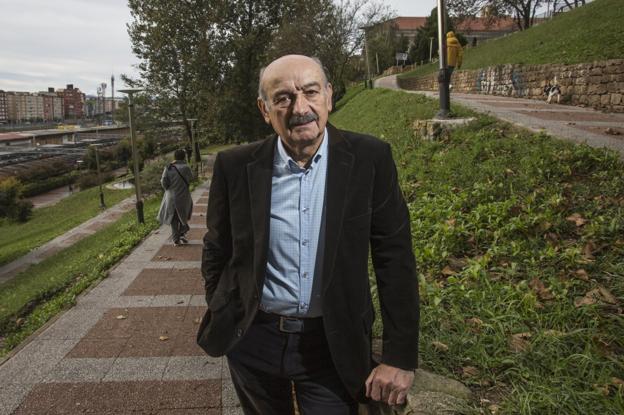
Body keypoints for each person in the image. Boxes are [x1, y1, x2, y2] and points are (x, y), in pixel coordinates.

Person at [197, 55, 419, 414]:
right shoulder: (235, 166)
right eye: (283, 98)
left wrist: (400, 355)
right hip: (255, 340)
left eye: (310, 92)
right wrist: (224, 306)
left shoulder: (370, 158)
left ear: (329, 96)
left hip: (333, 344)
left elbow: (395, 260)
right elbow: (217, 248)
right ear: (264, 109)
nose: (300, 108)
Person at [157, 149, 193, 245]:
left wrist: (168, 189)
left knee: (173, 217)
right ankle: (182, 233)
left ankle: (175, 239)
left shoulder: (168, 168)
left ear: (175, 157)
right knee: (183, 215)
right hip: (184, 196)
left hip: (171, 196)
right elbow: (191, 178)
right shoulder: (186, 168)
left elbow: (163, 181)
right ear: (184, 157)